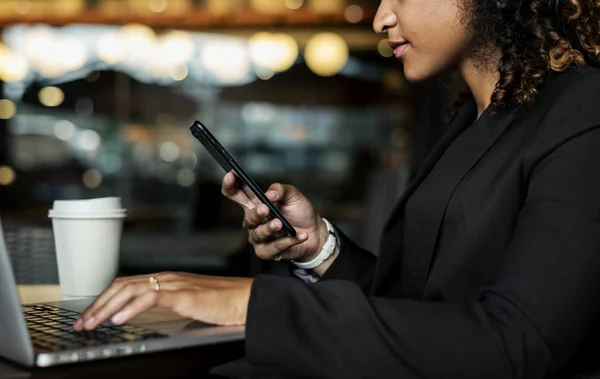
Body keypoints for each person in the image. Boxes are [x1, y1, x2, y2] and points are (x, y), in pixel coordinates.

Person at [73, 0, 600, 377]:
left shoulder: (583, 110)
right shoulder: (468, 121)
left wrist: (255, 304)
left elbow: (519, 344)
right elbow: (413, 309)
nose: (380, 17)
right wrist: (320, 249)